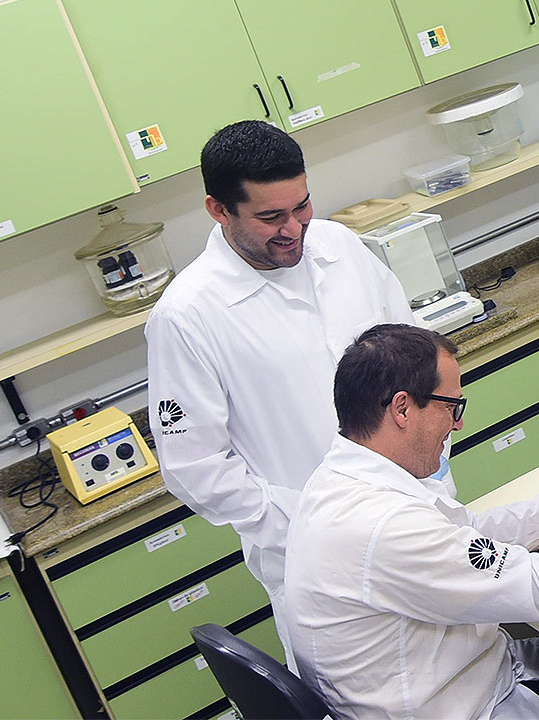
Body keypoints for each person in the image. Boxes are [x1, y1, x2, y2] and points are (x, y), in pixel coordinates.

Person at [284, 323, 539, 719]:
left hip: (461, 679)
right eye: (450, 407)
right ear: (402, 408)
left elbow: (467, 533)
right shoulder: (380, 524)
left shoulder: (342, 479)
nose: (457, 424)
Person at [144, 121, 416, 656]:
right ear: (218, 210)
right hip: (317, 563)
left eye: (303, 206)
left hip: (420, 517)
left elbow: (413, 359)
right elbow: (194, 467)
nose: (294, 228)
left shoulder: (338, 245)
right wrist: (313, 524)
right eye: (270, 217)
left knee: (480, 676)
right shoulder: (187, 315)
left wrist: (435, 452)